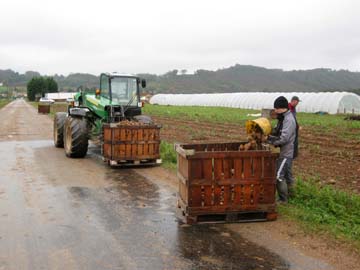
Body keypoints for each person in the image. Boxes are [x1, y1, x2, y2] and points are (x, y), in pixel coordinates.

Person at [268, 96, 297, 203]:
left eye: (276, 108)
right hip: (284, 152)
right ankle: (292, 196)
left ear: (281, 108)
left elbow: (284, 138)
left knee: (278, 176)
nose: (275, 111)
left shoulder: (288, 120)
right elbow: (277, 131)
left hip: (286, 153)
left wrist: (270, 141)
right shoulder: (283, 118)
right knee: (288, 176)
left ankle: (283, 199)